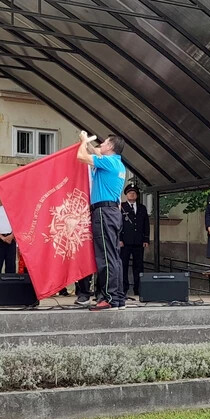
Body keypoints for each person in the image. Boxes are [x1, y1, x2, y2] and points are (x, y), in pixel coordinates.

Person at [77, 131, 127, 310]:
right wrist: (88, 143)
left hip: (103, 212)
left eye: (104, 143)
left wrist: (83, 142)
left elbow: (81, 156)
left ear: (111, 147)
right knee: (114, 257)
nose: (101, 145)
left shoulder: (109, 162)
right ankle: (118, 297)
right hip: (112, 211)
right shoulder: (117, 164)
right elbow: (95, 153)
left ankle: (108, 297)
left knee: (105, 256)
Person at [119, 184, 150, 296]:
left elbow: (146, 224)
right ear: (126, 195)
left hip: (138, 242)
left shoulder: (142, 208)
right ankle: (123, 289)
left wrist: (146, 239)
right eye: (130, 193)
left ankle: (139, 289)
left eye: (134, 193)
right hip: (125, 242)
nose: (132, 194)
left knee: (139, 266)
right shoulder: (121, 207)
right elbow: (118, 224)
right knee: (123, 266)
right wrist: (119, 239)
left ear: (137, 195)